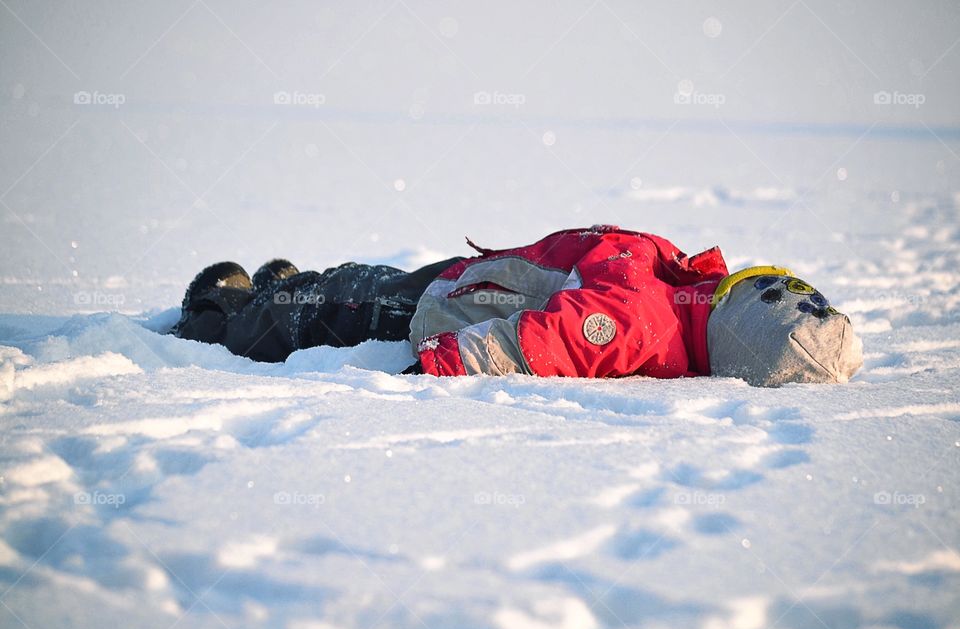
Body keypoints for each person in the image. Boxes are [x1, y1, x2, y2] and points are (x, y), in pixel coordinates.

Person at [170, 225, 863, 386]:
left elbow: (532, 346)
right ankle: (280, 285)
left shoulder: (642, 325)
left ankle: (219, 314)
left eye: (774, 288)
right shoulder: (682, 288)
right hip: (472, 276)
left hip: (440, 315)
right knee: (360, 278)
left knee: (324, 312)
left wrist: (428, 371)